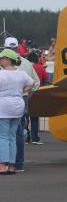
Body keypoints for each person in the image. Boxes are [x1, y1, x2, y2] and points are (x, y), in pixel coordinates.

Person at [4, 37, 40, 172]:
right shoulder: (26, 63)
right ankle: (18, 164)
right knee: (18, 133)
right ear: (17, 47)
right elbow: (35, 83)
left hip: (4, 102)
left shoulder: (3, 64)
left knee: (4, 134)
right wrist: (25, 94)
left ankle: (4, 163)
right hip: (21, 100)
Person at [0, 49, 34, 174]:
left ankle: (2, 165)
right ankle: (12, 165)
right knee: (12, 137)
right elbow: (32, 83)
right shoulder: (21, 73)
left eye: (1, 58)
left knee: (3, 137)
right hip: (18, 105)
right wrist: (22, 90)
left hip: (3, 106)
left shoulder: (2, 74)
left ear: (7, 60)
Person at [26, 52, 49, 145]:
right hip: (37, 95)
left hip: (25, 94)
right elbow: (47, 80)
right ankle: (35, 138)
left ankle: (26, 137)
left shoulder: (25, 67)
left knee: (24, 117)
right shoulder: (40, 67)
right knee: (34, 117)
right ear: (36, 59)